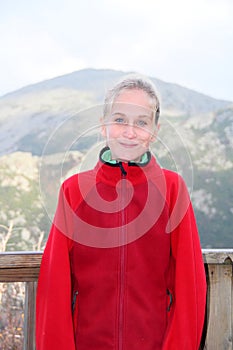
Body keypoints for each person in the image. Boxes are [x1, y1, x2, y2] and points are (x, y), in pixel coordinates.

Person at [36, 74, 206, 349]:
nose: (130, 132)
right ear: (103, 127)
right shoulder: (74, 191)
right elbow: (53, 285)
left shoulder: (172, 189)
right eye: (119, 120)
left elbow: (190, 284)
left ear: (154, 131)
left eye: (141, 122)